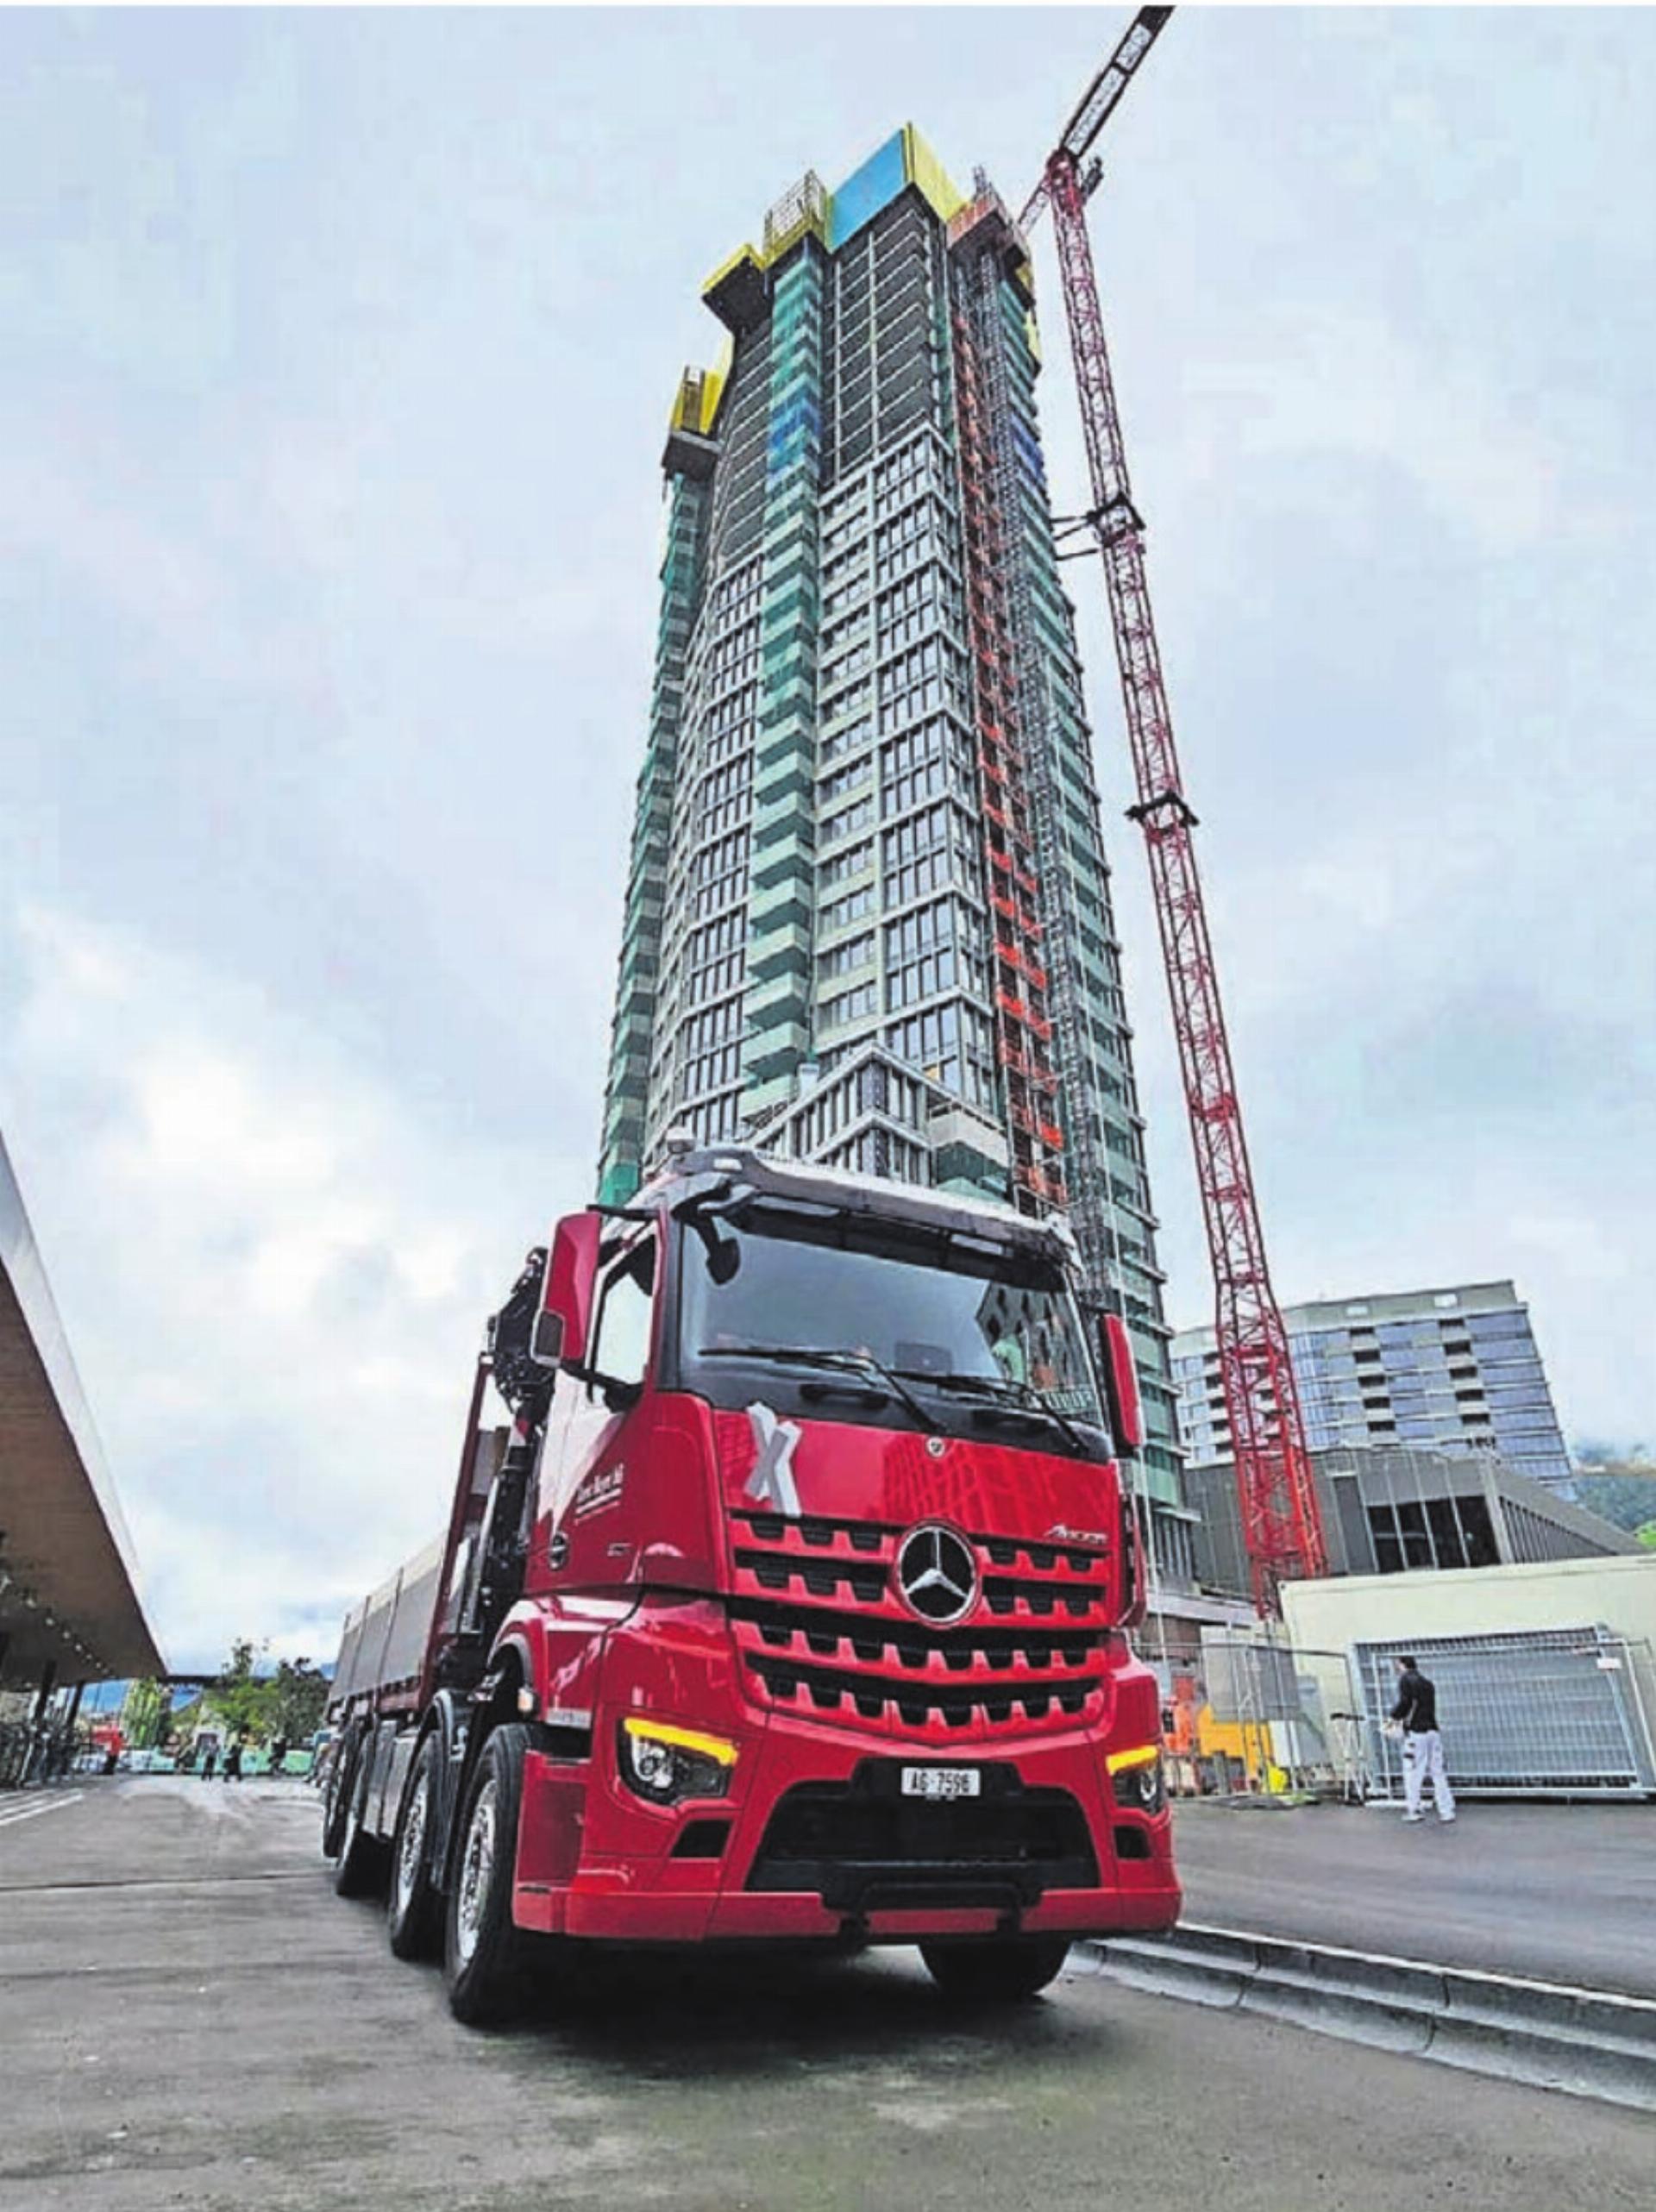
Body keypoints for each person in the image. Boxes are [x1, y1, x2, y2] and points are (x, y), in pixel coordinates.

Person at [1389, 1654, 1456, 1825]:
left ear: (1402, 1665)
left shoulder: (1406, 1680)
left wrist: (1393, 1716)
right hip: (1433, 1730)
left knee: (1413, 1771)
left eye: (1397, 1665)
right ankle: (1446, 1810)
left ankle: (1414, 1809)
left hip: (1416, 1732)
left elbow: (1405, 1703)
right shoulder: (1428, 1683)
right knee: (1438, 1771)